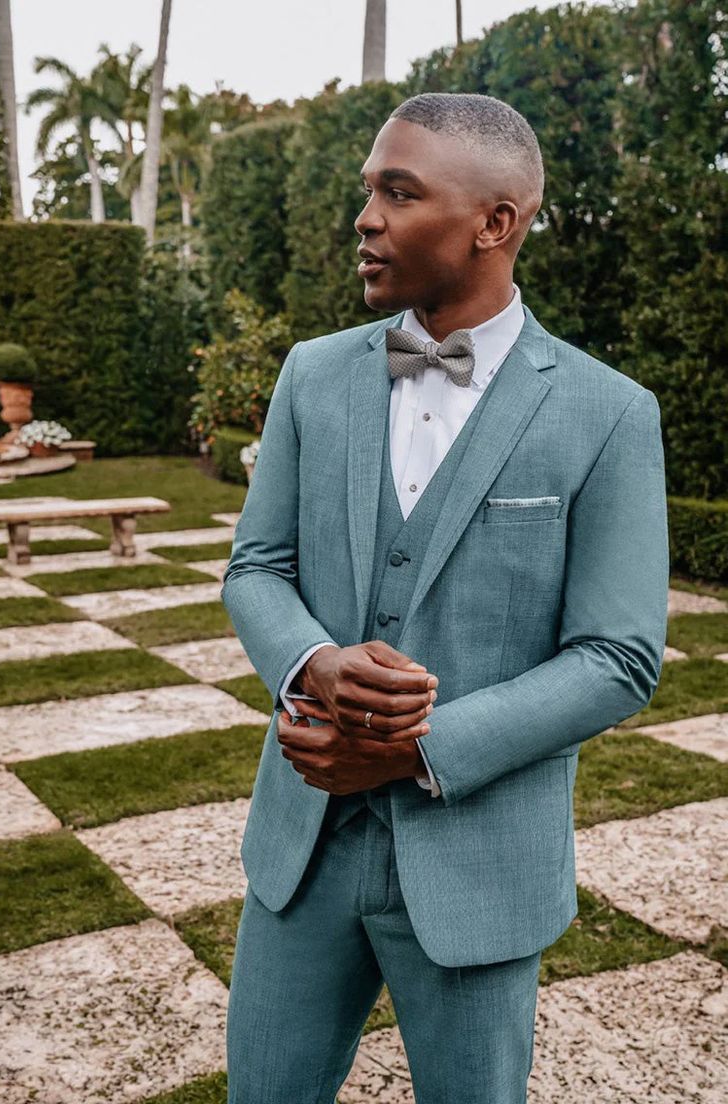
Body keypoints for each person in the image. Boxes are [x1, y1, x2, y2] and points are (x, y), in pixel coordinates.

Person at [221, 92, 669, 1103]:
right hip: (302, 852)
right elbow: (256, 566)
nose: (364, 217)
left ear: (494, 223)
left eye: (398, 190)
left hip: (481, 871)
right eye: (367, 189)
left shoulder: (607, 413)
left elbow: (618, 656)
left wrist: (419, 747)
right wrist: (314, 663)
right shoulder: (312, 377)